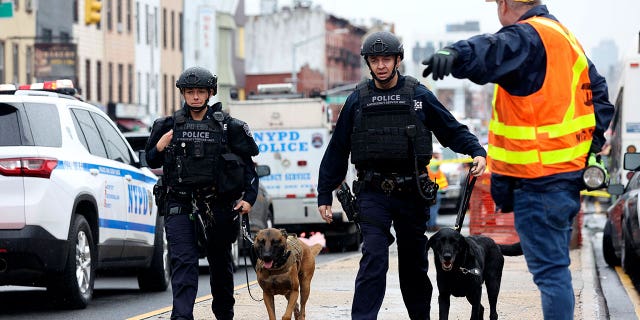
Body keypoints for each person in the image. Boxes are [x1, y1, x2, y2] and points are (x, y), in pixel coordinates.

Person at [421, 1, 615, 319]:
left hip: (539, 183)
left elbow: (495, 48)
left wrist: (456, 54)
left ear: (506, 3)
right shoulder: (565, 38)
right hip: (561, 181)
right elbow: (601, 96)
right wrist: (588, 150)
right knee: (554, 271)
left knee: (552, 275)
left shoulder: (531, 35)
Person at [317, 31, 487, 320]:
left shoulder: (418, 95)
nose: (381, 65)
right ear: (368, 63)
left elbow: (450, 128)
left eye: (386, 59)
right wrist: (324, 194)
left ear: (398, 60)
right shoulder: (357, 100)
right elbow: (337, 149)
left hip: (412, 193)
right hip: (372, 193)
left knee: (413, 264)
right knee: (373, 257)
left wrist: (475, 150)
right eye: (375, 60)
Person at [145, 66, 259, 320]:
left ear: (210, 93)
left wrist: (249, 199)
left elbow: (249, 167)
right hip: (179, 204)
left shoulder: (230, 128)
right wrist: (161, 146)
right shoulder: (167, 125)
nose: (195, 97)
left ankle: (224, 315)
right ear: (183, 94)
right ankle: (182, 317)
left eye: (200, 92)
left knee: (220, 265)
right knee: (183, 262)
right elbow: (149, 160)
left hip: (218, 206)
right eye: (190, 92)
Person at [426, 145, 448, 232]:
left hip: (428, 189)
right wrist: (438, 156)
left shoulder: (427, 162)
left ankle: (428, 225)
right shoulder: (434, 162)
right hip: (436, 190)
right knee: (434, 209)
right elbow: (440, 161)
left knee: (428, 208)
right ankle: (432, 225)